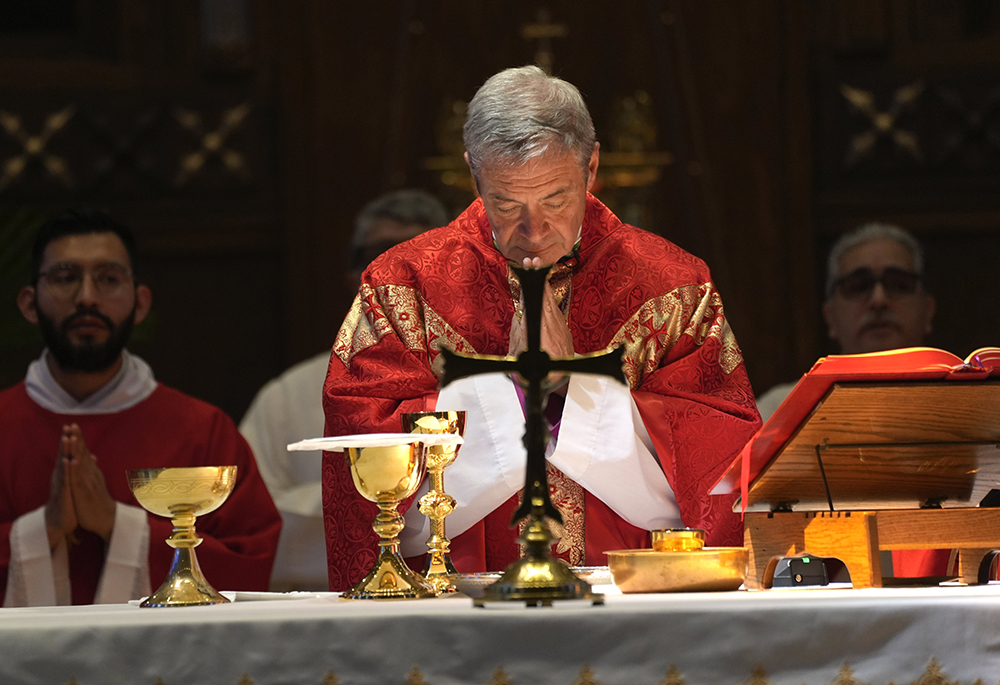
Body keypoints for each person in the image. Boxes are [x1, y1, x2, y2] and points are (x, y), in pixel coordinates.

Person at [321, 66, 761, 591]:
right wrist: (505, 389)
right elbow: (361, 438)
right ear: (473, 174)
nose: (533, 231)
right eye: (506, 203)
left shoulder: (671, 284)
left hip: (632, 591)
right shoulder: (403, 283)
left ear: (591, 166)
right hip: (460, 597)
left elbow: (723, 455)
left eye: (555, 199)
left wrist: (574, 388)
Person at [0, 209, 281, 606]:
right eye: (65, 278)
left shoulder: (202, 431)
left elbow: (249, 565)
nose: (86, 297)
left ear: (140, 302)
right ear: (30, 304)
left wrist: (116, 524)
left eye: (108, 279)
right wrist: (42, 528)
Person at [239, 189, 448, 591]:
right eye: (381, 257)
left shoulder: (481, 385)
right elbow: (256, 519)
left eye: (416, 261)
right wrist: (373, 501)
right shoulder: (287, 395)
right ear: (354, 277)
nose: (395, 279)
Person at [756, 222, 936, 421]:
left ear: (928, 311)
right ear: (830, 317)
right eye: (858, 286)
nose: (878, 300)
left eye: (899, 285)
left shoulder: (969, 403)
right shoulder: (777, 412)